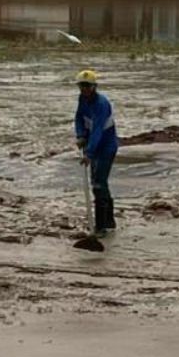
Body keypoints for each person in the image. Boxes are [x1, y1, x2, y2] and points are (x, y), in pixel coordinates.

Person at [74, 68, 120, 235]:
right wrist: (80, 135)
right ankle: (109, 220)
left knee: (99, 184)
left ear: (94, 86)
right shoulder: (82, 99)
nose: (84, 89)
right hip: (92, 145)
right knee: (97, 182)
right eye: (81, 86)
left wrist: (89, 154)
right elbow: (79, 118)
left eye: (87, 86)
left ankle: (101, 226)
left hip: (106, 147)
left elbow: (98, 130)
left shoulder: (102, 104)